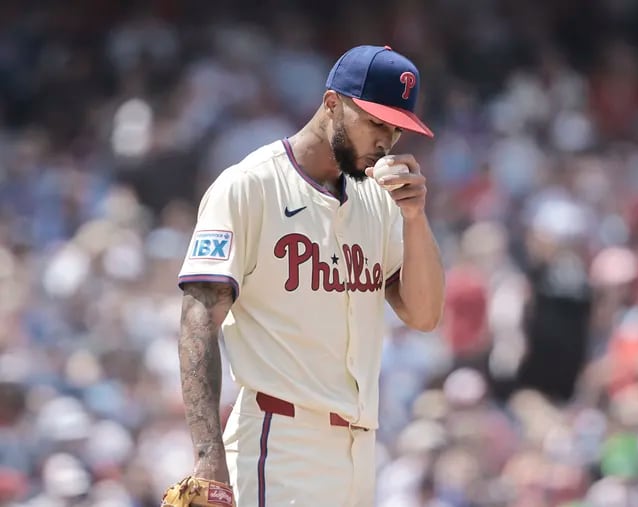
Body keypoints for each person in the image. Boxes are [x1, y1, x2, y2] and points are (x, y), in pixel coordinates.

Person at [175, 44, 445, 507]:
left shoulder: (380, 199)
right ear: (332, 104)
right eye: (376, 121)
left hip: (359, 451)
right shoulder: (250, 186)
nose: (386, 140)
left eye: (397, 128)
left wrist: (416, 219)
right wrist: (207, 458)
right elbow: (198, 322)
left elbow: (423, 314)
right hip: (278, 444)